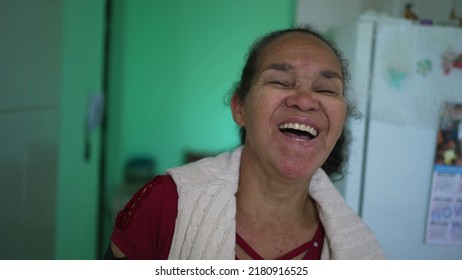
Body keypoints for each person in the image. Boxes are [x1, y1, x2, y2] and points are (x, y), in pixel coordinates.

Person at [105, 25, 385, 260]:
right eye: (281, 82)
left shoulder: (364, 251)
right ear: (240, 108)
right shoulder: (164, 205)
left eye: (325, 89)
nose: (304, 99)